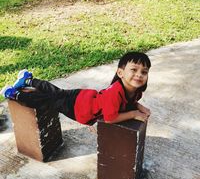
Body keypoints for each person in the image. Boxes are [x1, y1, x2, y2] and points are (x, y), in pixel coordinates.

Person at [0, 51, 151, 125]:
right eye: (134, 70)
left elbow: (128, 102)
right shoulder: (115, 93)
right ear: (120, 73)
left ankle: (28, 79)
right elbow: (110, 118)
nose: (139, 75)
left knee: (55, 92)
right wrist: (133, 114)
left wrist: (139, 106)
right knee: (44, 100)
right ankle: (15, 94)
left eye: (144, 72)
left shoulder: (135, 91)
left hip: (83, 97)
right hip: (79, 109)